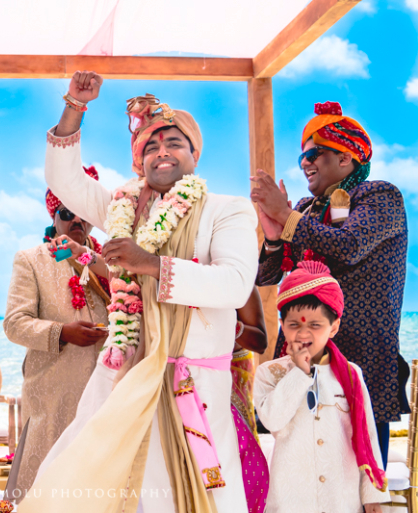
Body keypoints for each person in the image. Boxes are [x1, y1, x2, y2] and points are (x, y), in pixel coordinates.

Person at [19, 71, 259, 513]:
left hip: (194, 385)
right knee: (106, 488)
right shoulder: (122, 209)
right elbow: (63, 180)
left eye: (174, 144)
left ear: (195, 154)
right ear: (138, 160)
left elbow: (235, 284)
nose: (162, 152)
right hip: (124, 378)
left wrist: (148, 264)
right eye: (150, 145)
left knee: (202, 499)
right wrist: (75, 104)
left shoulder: (227, 210)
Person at [251, 101, 409, 465]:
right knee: (299, 474)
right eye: (302, 156)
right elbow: (266, 276)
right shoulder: (307, 209)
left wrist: (286, 216)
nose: (304, 162)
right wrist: (275, 236)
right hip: (300, 364)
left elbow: (349, 245)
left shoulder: (380, 196)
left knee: (359, 482)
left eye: (313, 153)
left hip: (360, 363)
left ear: (345, 158)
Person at [3, 166, 110, 499]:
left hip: (107, 389)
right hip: (53, 393)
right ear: (54, 213)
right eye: (67, 213)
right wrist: (62, 332)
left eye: (84, 214)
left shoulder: (111, 260)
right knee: (46, 489)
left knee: (102, 485)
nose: (77, 222)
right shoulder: (31, 260)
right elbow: (14, 323)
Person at [253, 261, 390, 513]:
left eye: (315, 325)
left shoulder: (351, 375)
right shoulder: (268, 374)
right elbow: (273, 422)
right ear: (283, 325)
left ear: (334, 327)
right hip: (289, 502)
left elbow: (368, 437)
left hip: (342, 501)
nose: (303, 334)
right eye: (294, 324)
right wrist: (299, 373)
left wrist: (374, 496)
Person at [232, 287, 268, 437]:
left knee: (237, 440)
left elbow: (259, 343)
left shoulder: (237, 281)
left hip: (232, 371)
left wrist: (230, 324)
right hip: (179, 370)